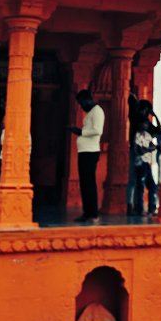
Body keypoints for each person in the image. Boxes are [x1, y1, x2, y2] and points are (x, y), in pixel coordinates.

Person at [68, 89, 105, 223]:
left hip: (90, 152)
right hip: (84, 151)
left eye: (81, 103)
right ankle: (87, 212)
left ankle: (92, 213)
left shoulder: (97, 111)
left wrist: (80, 131)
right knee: (84, 183)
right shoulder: (90, 113)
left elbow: (97, 130)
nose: (81, 106)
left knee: (89, 183)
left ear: (87, 100)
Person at [133, 115, 158, 216]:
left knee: (152, 186)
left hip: (147, 163)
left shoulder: (147, 135)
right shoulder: (137, 135)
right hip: (140, 163)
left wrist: (146, 149)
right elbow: (139, 151)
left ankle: (151, 208)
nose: (146, 125)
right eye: (145, 123)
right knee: (140, 186)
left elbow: (153, 147)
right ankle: (139, 208)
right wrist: (148, 149)